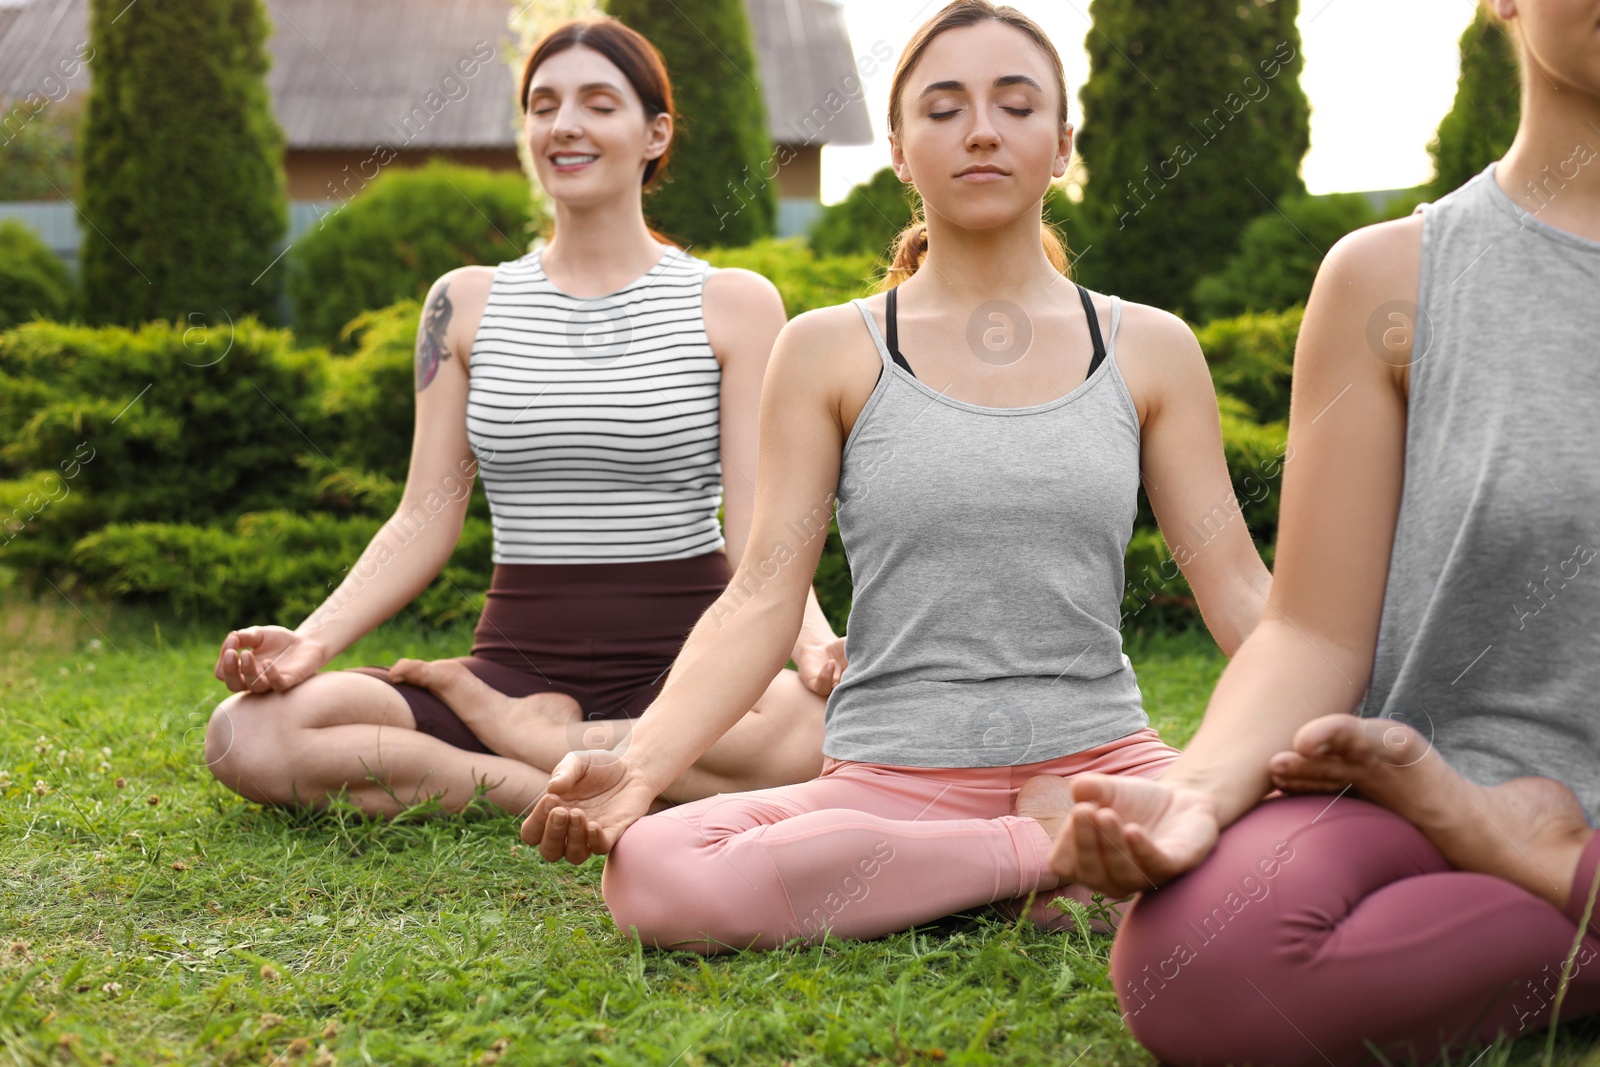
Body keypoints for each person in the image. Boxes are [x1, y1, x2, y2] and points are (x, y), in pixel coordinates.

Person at [518, 0, 1274, 954]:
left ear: (1062, 142)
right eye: (945, 107)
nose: (983, 131)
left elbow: (1244, 593)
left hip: (1103, 760)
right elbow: (760, 595)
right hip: (891, 780)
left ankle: (1006, 864)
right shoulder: (828, 350)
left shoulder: (1150, 349)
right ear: (900, 150)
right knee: (656, 872)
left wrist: (1354, 732)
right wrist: (635, 766)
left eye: (1016, 104)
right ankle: (1047, 858)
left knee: (1288, 841)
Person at [1039, 0, 1600, 1062]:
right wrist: (1195, 789)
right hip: (1422, 789)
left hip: (1473, 828)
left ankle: (1535, 859)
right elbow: (1312, 630)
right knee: (1200, 964)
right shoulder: (1391, 280)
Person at [203, 17, 845, 818]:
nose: (565, 124)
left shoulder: (733, 304)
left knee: (826, 732)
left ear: (656, 133)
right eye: (544, 105)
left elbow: (759, 527)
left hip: (692, 659)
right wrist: (313, 640)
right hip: (513, 662)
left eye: (598, 103)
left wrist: (812, 642)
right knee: (245, 737)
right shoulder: (463, 304)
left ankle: (539, 746)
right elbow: (422, 517)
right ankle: (607, 777)